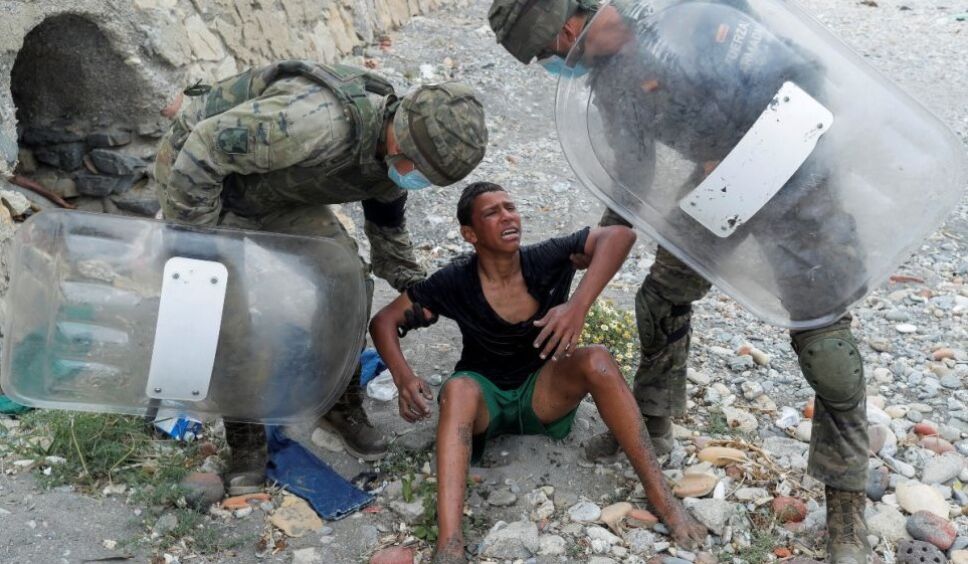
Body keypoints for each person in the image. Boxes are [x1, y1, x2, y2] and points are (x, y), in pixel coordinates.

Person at [488, 1, 873, 562]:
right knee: (662, 296)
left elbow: (810, 78)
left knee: (827, 345)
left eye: (548, 53)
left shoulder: (687, 11)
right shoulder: (611, 85)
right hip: (723, 182)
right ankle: (651, 423)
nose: (554, 64)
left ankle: (846, 510)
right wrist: (586, 276)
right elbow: (630, 194)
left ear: (568, 30)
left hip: (797, 171)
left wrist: (754, 146)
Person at [154, 60, 488, 494]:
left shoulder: (391, 159)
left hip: (276, 190)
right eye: (420, 169)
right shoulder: (314, 124)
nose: (417, 179)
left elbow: (387, 231)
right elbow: (202, 149)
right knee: (225, 304)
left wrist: (414, 285)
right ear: (402, 136)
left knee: (347, 278)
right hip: (198, 175)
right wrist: (199, 251)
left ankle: (338, 401)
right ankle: (245, 435)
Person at [370, 182, 707, 563]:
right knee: (458, 390)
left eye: (510, 207)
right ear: (470, 234)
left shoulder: (546, 258)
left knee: (597, 358)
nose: (508, 215)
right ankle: (449, 544)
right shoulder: (454, 281)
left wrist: (578, 305)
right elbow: (384, 321)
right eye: (492, 212)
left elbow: (620, 235)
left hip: (542, 396)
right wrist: (403, 378)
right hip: (485, 403)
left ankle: (661, 496)